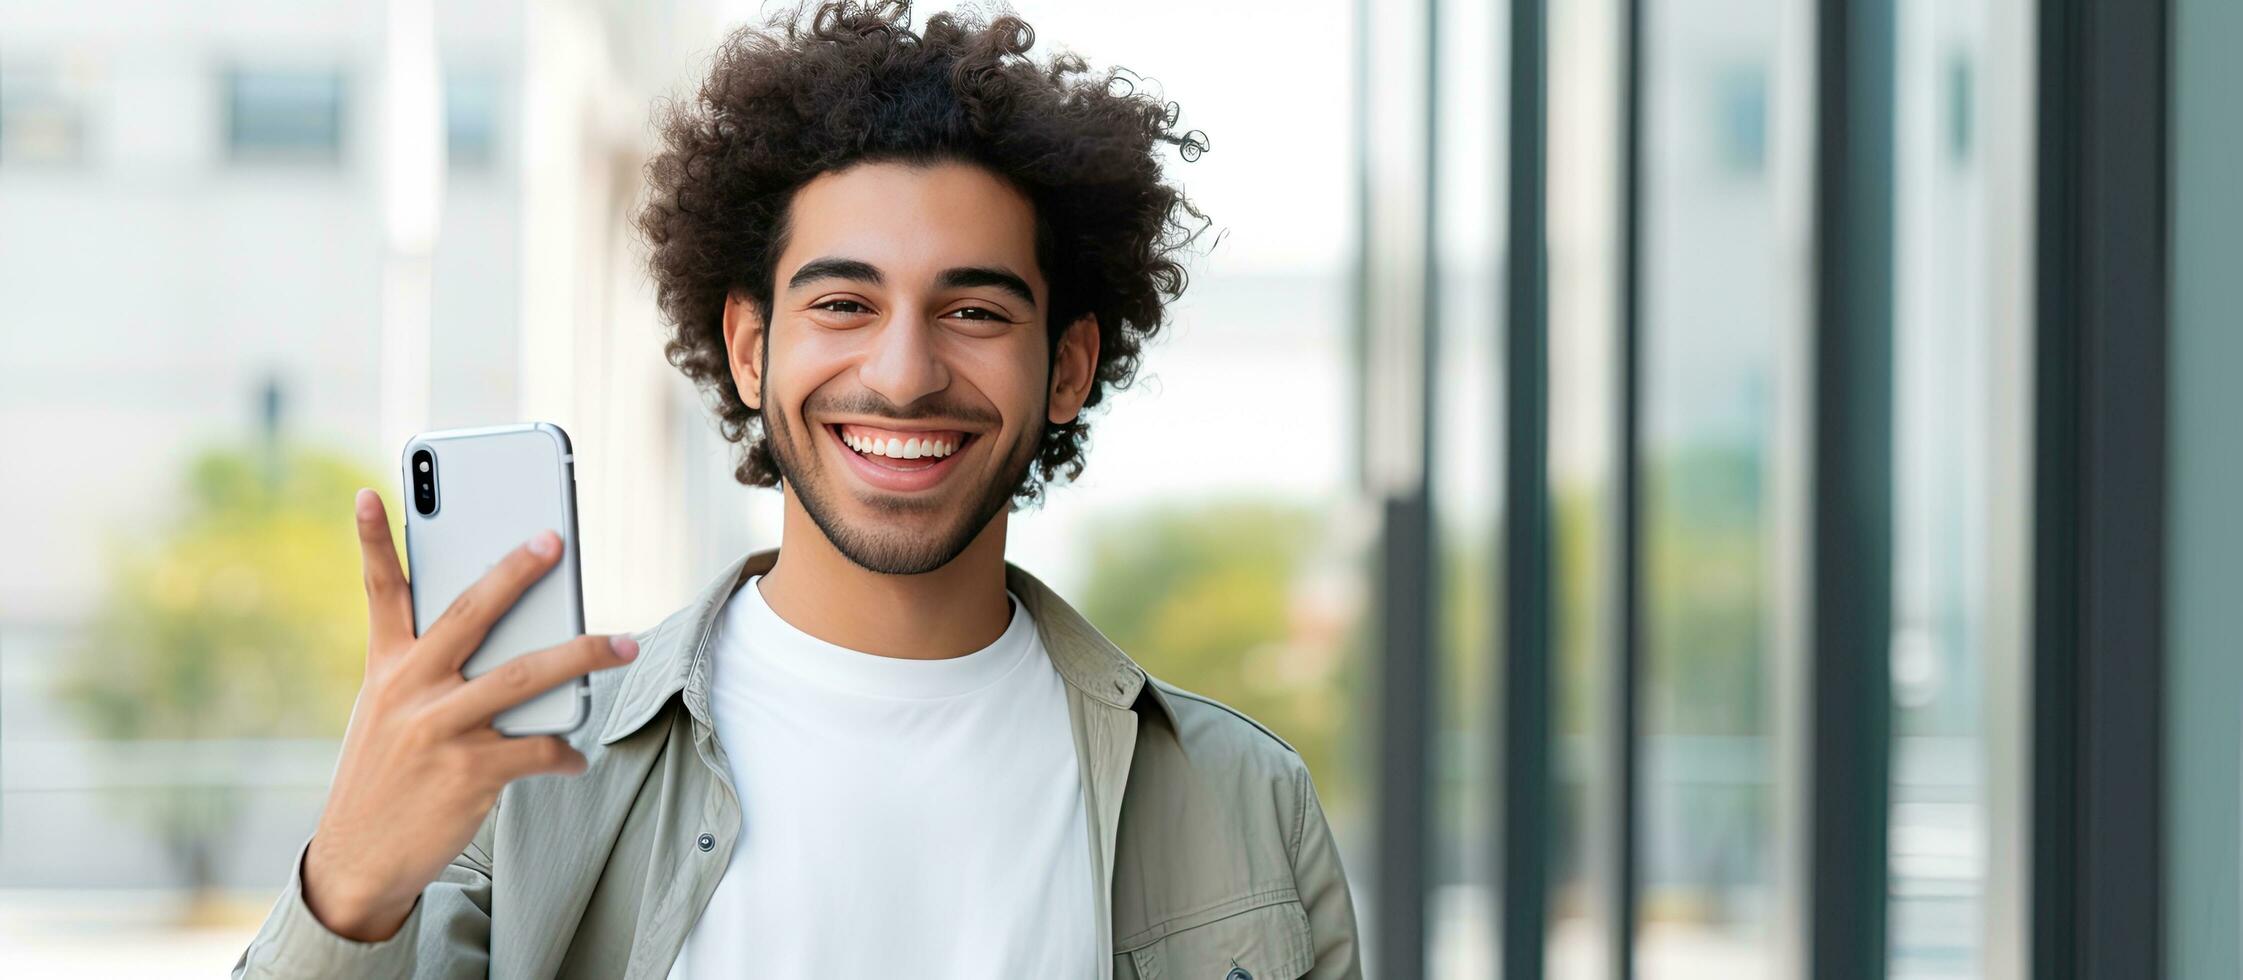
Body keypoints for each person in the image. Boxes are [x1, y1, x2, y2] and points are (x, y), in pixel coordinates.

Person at [231, 2, 1361, 977]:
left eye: (972, 310)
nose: (904, 373)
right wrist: (348, 885)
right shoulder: (527, 779)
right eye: (842, 305)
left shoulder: (1242, 802)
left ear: (1065, 365)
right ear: (748, 346)